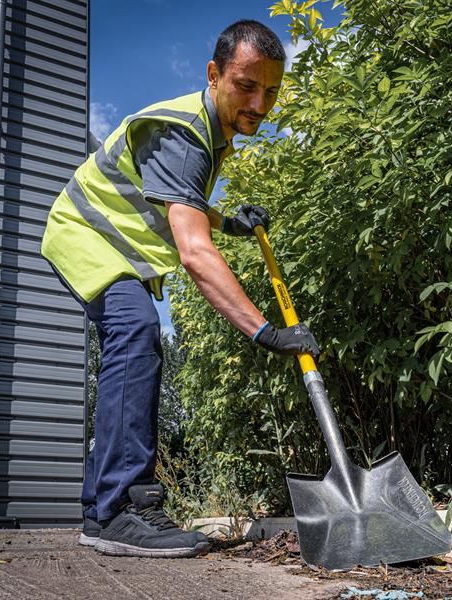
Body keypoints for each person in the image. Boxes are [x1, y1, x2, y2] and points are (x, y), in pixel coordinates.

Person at [41, 20, 319, 558]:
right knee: (136, 331)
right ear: (214, 75)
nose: (259, 104)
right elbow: (193, 252)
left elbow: (174, 200)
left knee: (134, 336)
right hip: (86, 235)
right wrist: (266, 331)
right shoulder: (188, 134)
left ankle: (101, 512)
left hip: (105, 243)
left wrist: (227, 222)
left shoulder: (210, 133)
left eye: (270, 92)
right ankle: (122, 508)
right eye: (246, 86)